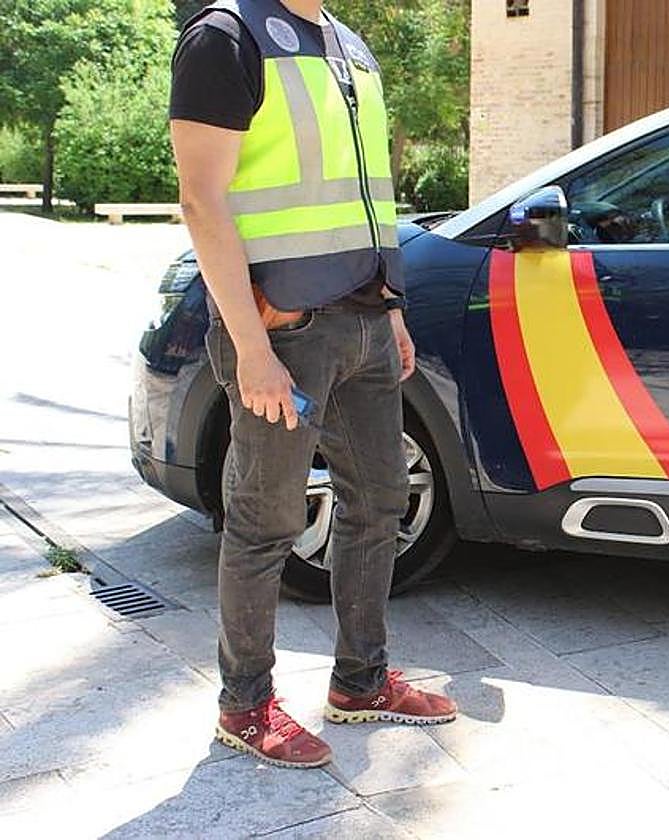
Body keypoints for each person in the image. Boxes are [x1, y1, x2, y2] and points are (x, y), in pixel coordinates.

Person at [169, 0, 457, 769]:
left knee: (381, 500)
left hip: (365, 319)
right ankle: (245, 706)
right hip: (284, 332)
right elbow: (200, 199)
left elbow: (364, 194)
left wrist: (390, 310)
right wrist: (250, 346)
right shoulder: (226, 37)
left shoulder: (347, 44)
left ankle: (361, 682)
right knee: (265, 521)